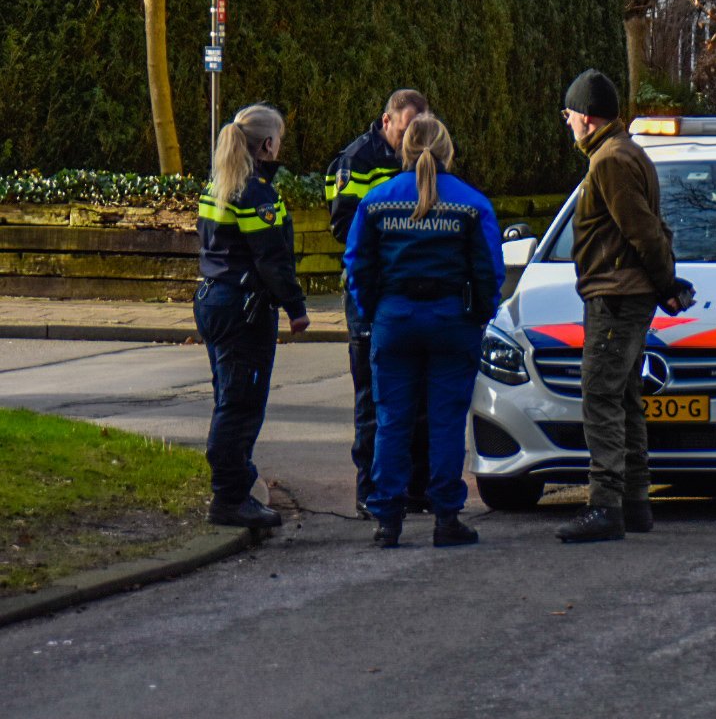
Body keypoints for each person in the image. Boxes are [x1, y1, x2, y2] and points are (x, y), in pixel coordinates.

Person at [344, 114, 503, 548]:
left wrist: (375, 310)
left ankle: (387, 520)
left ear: (404, 151)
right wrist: (479, 315)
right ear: (448, 151)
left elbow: (357, 265)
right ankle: (446, 518)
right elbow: (490, 269)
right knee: (446, 420)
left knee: (392, 419)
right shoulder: (471, 203)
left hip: (395, 319)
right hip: (452, 320)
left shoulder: (377, 201)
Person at [556, 69, 693, 544]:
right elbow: (648, 229)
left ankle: (605, 505)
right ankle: (635, 503)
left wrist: (667, 283)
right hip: (626, 293)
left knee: (601, 398)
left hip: (615, 296)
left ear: (587, 118)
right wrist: (662, 284)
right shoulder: (627, 152)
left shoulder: (610, 161)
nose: (568, 123)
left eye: (569, 115)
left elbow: (642, 231)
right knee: (627, 399)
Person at [194, 104, 310, 529]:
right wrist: (296, 308)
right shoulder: (256, 192)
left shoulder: (220, 184)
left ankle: (234, 488)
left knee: (229, 397)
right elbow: (272, 259)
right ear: (266, 145)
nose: (281, 147)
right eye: (278, 140)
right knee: (241, 405)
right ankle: (230, 497)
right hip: (243, 308)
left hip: (214, 299)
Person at [326, 89, 431, 518]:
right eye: (406, 130)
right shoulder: (357, 160)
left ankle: (415, 488)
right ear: (387, 121)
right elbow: (343, 226)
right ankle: (369, 489)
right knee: (372, 397)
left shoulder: (423, 156)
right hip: (372, 291)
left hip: (410, 288)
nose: (412, 141)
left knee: (420, 396)